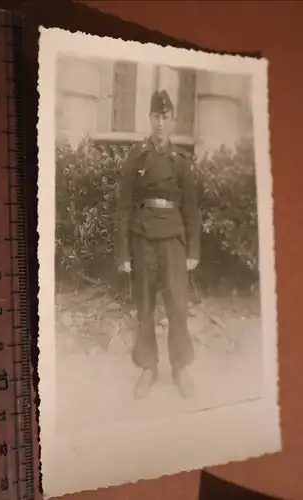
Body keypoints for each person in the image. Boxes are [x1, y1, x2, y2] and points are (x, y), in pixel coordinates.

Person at [116, 89, 201, 400]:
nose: (161, 123)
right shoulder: (136, 158)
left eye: (166, 117)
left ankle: (180, 368)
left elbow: (191, 209)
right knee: (145, 306)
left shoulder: (181, 161)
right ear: (149, 119)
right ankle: (148, 368)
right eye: (156, 117)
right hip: (143, 240)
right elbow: (124, 206)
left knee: (178, 305)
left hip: (173, 242)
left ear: (172, 121)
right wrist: (123, 252)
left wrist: (193, 249)